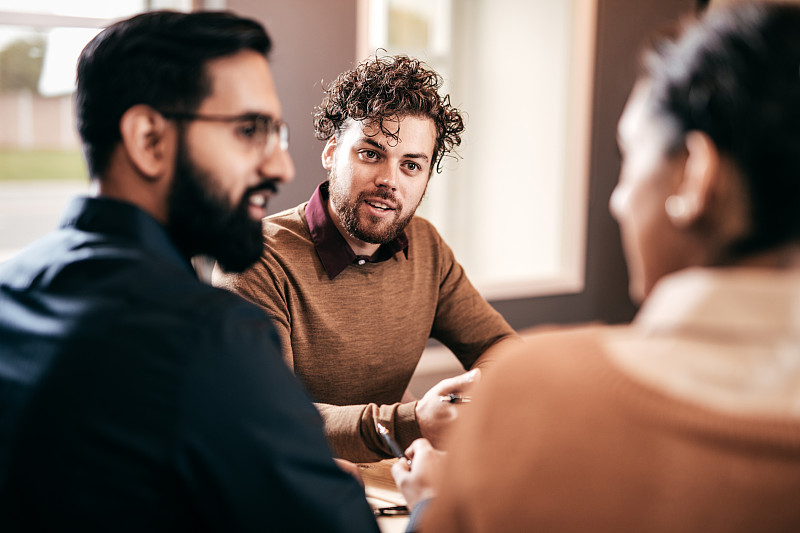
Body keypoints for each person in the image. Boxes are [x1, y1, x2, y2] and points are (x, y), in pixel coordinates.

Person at [394, 2, 800, 531]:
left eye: (628, 158)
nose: (618, 200)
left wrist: (432, 504)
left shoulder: (539, 394)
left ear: (696, 176)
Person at [0, 10, 397, 532]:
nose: (281, 167)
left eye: (276, 133)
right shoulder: (211, 337)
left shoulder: (13, 290)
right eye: (249, 130)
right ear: (148, 140)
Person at [213, 55, 519, 462]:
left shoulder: (426, 246)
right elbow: (269, 415)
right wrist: (410, 423)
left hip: (393, 482)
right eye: (371, 154)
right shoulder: (255, 258)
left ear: (426, 179)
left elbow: (500, 344)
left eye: (411, 165)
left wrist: (467, 400)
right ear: (332, 153)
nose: (389, 181)